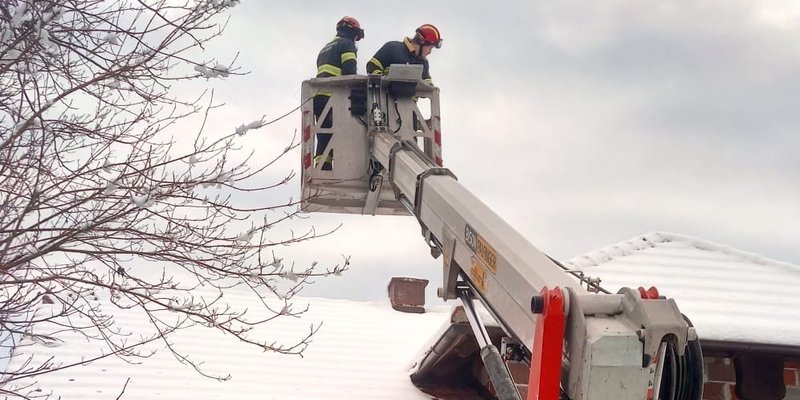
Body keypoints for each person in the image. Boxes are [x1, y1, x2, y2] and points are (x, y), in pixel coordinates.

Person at [314, 16, 365, 170]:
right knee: (343, 133)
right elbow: (350, 72)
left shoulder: (326, 47)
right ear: (352, 31)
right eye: (356, 36)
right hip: (334, 98)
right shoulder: (346, 44)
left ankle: (323, 169)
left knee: (324, 136)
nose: (356, 41)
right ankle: (346, 168)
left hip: (318, 97)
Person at [367, 24, 442, 85]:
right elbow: (372, 65)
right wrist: (384, 80)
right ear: (421, 42)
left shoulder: (424, 62)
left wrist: (429, 86)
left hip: (409, 103)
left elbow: (428, 86)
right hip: (384, 99)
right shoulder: (392, 48)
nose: (430, 52)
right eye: (430, 48)